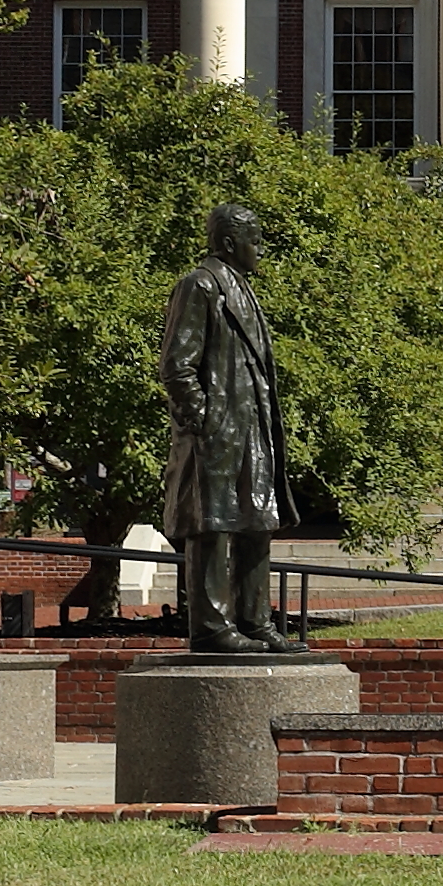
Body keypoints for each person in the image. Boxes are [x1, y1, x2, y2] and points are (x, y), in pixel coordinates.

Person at [160, 200, 298, 653]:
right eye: (253, 240)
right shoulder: (200, 285)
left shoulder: (241, 287)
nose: (260, 248)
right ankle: (213, 628)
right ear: (226, 242)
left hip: (252, 422)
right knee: (213, 526)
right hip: (218, 429)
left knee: (259, 521)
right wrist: (202, 420)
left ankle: (256, 622)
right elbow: (178, 366)